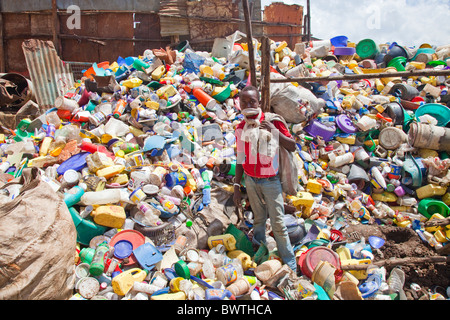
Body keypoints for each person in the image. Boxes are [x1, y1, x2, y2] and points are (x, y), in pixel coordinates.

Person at [233, 85, 297, 272]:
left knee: (278, 223)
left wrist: (273, 132)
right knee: (259, 219)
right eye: (244, 102)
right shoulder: (241, 127)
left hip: (270, 181)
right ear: (240, 104)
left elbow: (292, 146)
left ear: (259, 102)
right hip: (251, 180)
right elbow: (239, 157)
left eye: (252, 101)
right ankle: (259, 253)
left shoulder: (272, 122)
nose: (248, 105)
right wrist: (237, 185)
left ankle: (290, 264)